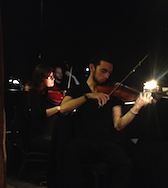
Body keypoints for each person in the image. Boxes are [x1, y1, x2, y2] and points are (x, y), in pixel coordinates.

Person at [58, 54, 153, 188]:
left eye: (109, 72)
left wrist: (136, 107)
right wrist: (87, 96)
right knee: (70, 154)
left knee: (125, 163)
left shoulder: (112, 94)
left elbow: (118, 125)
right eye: (104, 71)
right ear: (92, 68)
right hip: (83, 141)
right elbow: (63, 108)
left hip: (106, 143)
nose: (107, 76)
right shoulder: (78, 90)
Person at [27, 64, 61, 153]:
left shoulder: (49, 93)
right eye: (50, 77)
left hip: (50, 134)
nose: (53, 79)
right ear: (41, 79)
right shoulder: (34, 94)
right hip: (38, 136)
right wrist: (57, 108)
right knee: (58, 146)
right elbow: (38, 114)